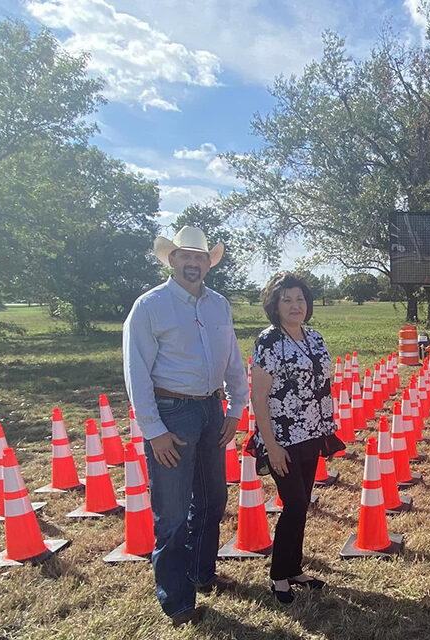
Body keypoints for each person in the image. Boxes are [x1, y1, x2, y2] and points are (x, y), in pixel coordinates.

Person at [122, 226, 247, 627]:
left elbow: (232, 358)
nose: (193, 263)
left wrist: (236, 407)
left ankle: (201, 572)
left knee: (213, 500)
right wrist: (154, 431)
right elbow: (135, 371)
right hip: (172, 412)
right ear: (172, 260)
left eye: (200, 258)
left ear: (207, 263)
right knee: (172, 514)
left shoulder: (218, 305)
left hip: (213, 409)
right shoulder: (149, 306)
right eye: (185, 257)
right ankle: (177, 599)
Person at [249, 272, 339, 603]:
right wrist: (270, 446)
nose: (294, 305)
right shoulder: (269, 341)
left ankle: (295, 568)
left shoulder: (313, 337)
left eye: (299, 299)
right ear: (275, 305)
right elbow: (259, 397)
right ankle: (277, 575)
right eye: (286, 299)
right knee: (296, 504)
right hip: (282, 437)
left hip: (312, 434)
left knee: (301, 505)